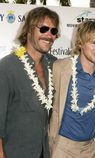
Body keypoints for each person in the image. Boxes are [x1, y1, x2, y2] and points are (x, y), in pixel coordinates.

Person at [49, 20, 95, 158]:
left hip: (89, 148)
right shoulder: (60, 67)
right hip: (62, 148)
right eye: (93, 42)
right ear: (80, 43)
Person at [0, 7, 60, 158]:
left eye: (53, 31)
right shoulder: (7, 67)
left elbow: (79, 66)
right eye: (44, 28)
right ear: (28, 30)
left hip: (46, 152)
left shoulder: (55, 65)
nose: (49, 35)